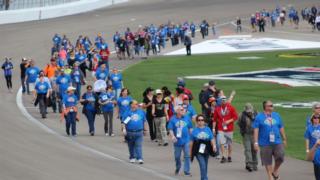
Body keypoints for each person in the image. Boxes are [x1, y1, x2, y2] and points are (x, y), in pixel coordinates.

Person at [253, 100, 287, 180]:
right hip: (265, 143)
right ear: (265, 107)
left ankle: (274, 171)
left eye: (272, 105)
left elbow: (281, 127)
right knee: (267, 161)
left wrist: (284, 139)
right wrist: (256, 142)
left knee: (280, 157)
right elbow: (256, 129)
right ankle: (270, 177)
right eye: (270, 105)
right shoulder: (259, 117)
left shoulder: (276, 115)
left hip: (277, 141)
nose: (272, 106)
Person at [168, 106, 193, 176]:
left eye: (183, 109)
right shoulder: (172, 119)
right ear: (177, 111)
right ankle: (178, 167)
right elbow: (170, 129)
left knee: (187, 155)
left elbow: (190, 128)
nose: (184, 110)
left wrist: (193, 137)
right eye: (182, 110)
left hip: (186, 140)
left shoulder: (187, 117)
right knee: (177, 157)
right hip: (177, 141)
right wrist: (173, 136)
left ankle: (186, 171)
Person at [190, 115, 216, 180]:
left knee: (205, 166)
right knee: (202, 165)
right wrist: (190, 153)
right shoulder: (194, 130)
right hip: (198, 150)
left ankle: (203, 178)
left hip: (206, 149)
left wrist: (214, 146)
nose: (200, 122)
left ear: (204, 121)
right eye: (199, 120)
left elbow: (212, 138)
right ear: (197, 121)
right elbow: (191, 143)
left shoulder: (208, 129)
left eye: (202, 120)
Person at [213, 96, 238, 163]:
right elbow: (214, 120)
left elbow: (235, 117)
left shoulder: (231, 108)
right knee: (222, 142)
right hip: (221, 128)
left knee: (229, 143)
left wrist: (228, 121)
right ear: (220, 101)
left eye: (224, 100)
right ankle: (224, 156)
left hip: (229, 128)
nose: (223, 101)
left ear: (226, 101)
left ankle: (229, 156)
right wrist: (213, 128)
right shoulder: (217, 109)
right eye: (222, 100)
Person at [238, 103, 258, 172]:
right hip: (246, 135)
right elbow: (239, 123)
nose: (249, 112)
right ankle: (249, 164)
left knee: (254, 150)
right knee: (248, 149)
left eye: (250, 111)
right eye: (248, 111)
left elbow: (259, 123)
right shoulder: (241, 115)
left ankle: (255, 164)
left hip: (254, 134)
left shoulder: (256, 114)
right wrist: (242, 132)